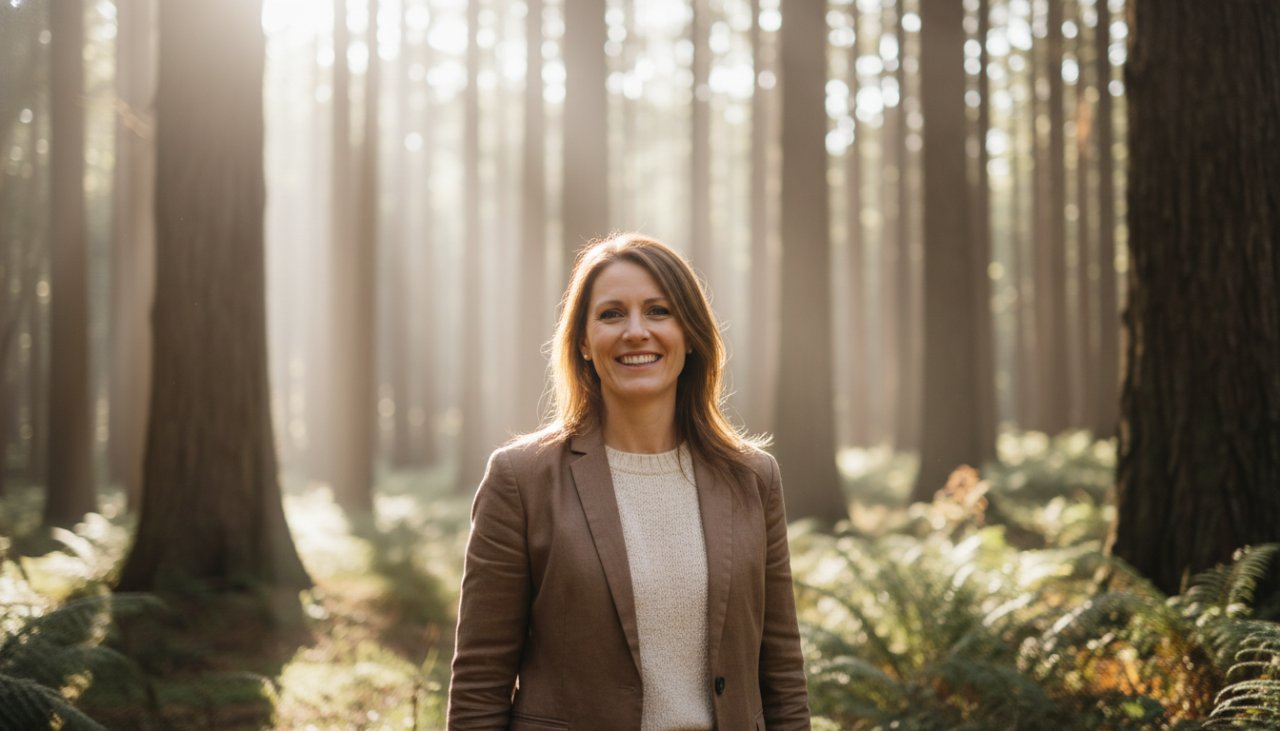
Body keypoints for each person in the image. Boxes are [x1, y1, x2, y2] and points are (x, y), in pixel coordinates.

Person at [447, 233, 811, 730]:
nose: (636, 331)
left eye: (659, 311)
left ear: (691, 334)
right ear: (582, 341)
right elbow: (479, 689)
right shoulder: (521, 480)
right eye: (612, 314)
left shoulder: (751, 477)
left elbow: (783, 675)